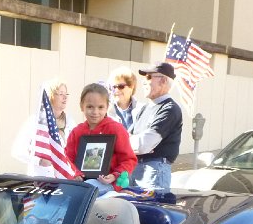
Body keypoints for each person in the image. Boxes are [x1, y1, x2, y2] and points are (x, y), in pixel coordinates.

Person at [65, 83, 137, 195]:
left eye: (100, 107)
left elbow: (129, 159)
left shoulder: (116, 129)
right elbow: (68, 159)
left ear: (107, 107)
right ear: (81, 106)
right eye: (90, 107)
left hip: (109, 183)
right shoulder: (76, 132)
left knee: (85, 190)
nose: (95, 112)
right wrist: (76, 173)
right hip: (81, 182)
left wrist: (114, 175)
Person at [128, 62, 183, 192]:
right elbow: (125, 139)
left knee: (151, 211)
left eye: (148, 77)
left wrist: (135, 142)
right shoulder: (145, 108)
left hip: (154, 171)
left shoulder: (169, 109)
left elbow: (144, 144)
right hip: (137, 169)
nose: (143, 82)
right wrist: (134, 142)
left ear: (163, 81)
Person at [11, 79, 72, 177]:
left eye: (66, 94)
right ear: (50, 96)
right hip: (40, 179)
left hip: (64, 179)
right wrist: (39, 161)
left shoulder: (70, 122)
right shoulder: (35, 121)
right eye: (60, 94)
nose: (65, 97)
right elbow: (17, 150)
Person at [107, 66, 139, 132]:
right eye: (113, 87)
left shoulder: (142, 110)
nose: (116, 90)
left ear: (131, 87)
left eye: (120, 86)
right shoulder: (105, 110)